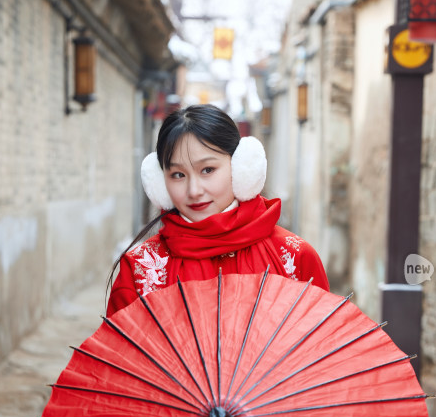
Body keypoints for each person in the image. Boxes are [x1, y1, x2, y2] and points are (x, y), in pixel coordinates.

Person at [106, 104, 328, 316]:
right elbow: (121, 353)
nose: (194, 191)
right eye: (178, 175)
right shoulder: (140, 269)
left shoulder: (295, 258)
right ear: (159, 182)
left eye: (208, 170)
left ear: (240, 167)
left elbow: (321, 346)